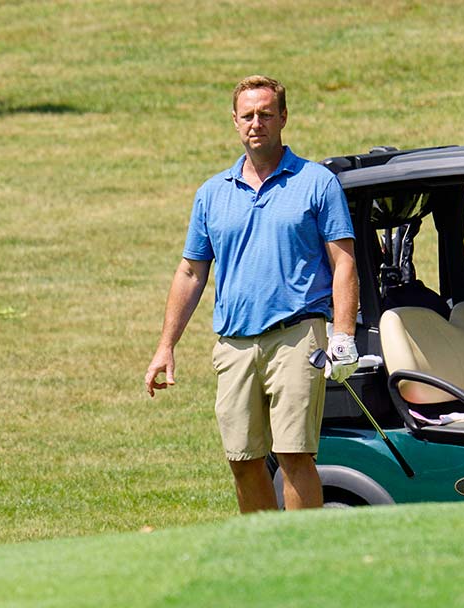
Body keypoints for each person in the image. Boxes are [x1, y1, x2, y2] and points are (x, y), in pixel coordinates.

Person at [143, 75, 360, 512]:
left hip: (298, 337)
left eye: (265, 113)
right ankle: (262, 554)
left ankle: (298, 555)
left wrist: (343, 335)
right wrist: (166, 346)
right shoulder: (211, 194)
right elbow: (190, 272)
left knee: (294, 453)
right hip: (235, 344)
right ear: (235, 121)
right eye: (247, 115)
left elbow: (344, 263)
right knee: (242, 459)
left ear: (283, 117)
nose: (256, 123)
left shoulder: (316, 182)